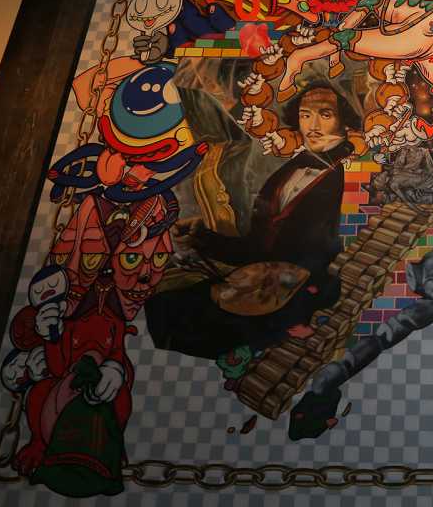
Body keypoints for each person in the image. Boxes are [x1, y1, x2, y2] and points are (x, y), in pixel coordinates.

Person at [145, 84, 360, 358]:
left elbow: (338, 260)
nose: (313, 126)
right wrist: (201, 236)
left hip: (299, 300)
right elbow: (257, 246)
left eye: (325, 115)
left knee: (182, 319)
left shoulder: (352, 177)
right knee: (163, 306)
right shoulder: (289, 170)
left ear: (345, 121)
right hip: (256, 283)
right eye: (305, 115)